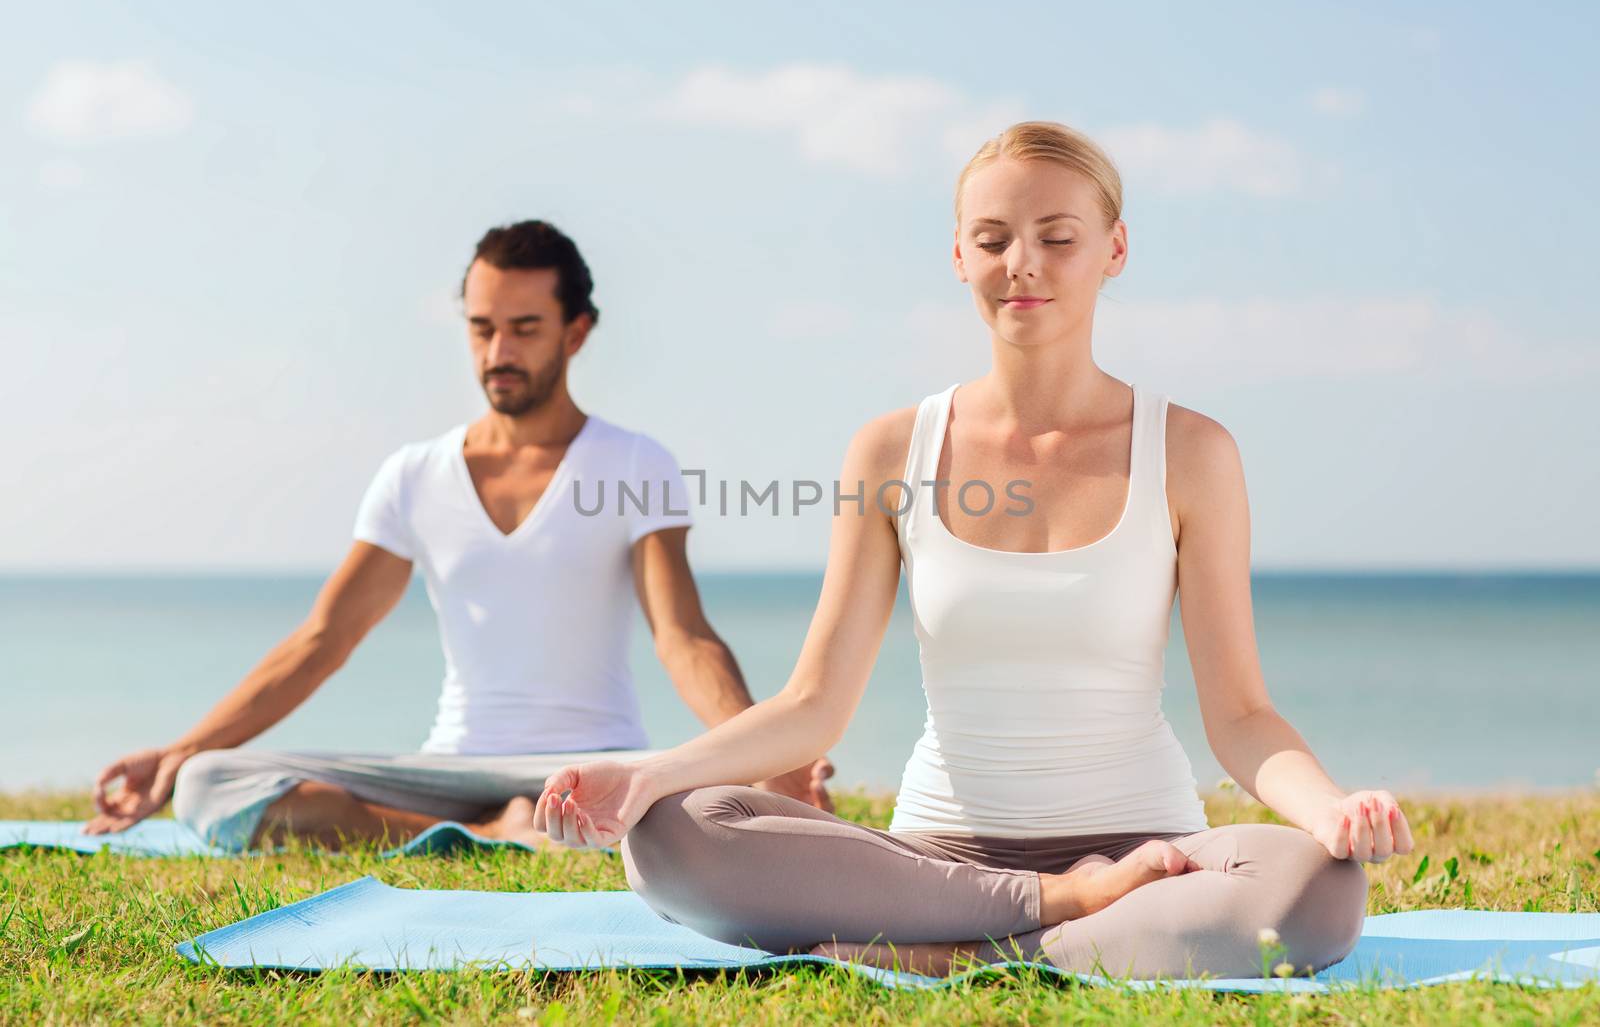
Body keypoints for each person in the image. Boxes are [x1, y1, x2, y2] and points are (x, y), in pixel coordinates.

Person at [524, 123, 1416, 980]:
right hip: (938, 862)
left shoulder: (1191, 452)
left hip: (1153, 855)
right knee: (672, 835)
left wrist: (1330, 808)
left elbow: (1243, 718)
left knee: (1318, 886)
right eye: (992, 238)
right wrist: (646, 776)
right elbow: (811, 703)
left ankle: (972, 956)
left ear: (1114, 249)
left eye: (1056, 236)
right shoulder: (889, 451)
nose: (1021, 262)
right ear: (959, 257)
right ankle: (1058, 909)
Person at [84, 220, 834, 851]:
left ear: (577, 332)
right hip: (445, 765)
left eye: (523, 328)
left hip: (599, 760)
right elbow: (323, 639)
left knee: (702, 801)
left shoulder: (635, 462)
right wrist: (181, 751)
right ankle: (489, 830)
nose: (497, 352)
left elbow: (685, 638)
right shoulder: (414, 474)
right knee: (210, 782)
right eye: (482, 328)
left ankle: (525, 821)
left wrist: (767, 752)